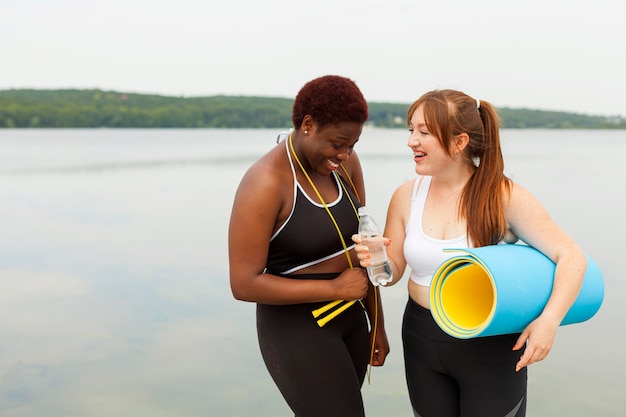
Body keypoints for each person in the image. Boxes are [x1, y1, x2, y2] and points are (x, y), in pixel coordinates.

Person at [353, 89, 587, 417]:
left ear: (460, 142)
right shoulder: (406, 196)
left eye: (424, 132)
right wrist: (377, 257)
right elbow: (391, 274)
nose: (411, 142)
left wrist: (548, 321)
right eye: (411, 130)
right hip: (422, 339)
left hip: (489, 347)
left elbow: (572, 257)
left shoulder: (502, 196)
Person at [228, 75, 389, 417]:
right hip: (297, 329)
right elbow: (243, 283)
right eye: (337, 144)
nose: (344, 155)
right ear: (308, 125)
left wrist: (378, 324)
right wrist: (333, 287)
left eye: (353, 145)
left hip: (351, 319)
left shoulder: (346, 167)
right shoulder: (266, 182)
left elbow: (364, 250)